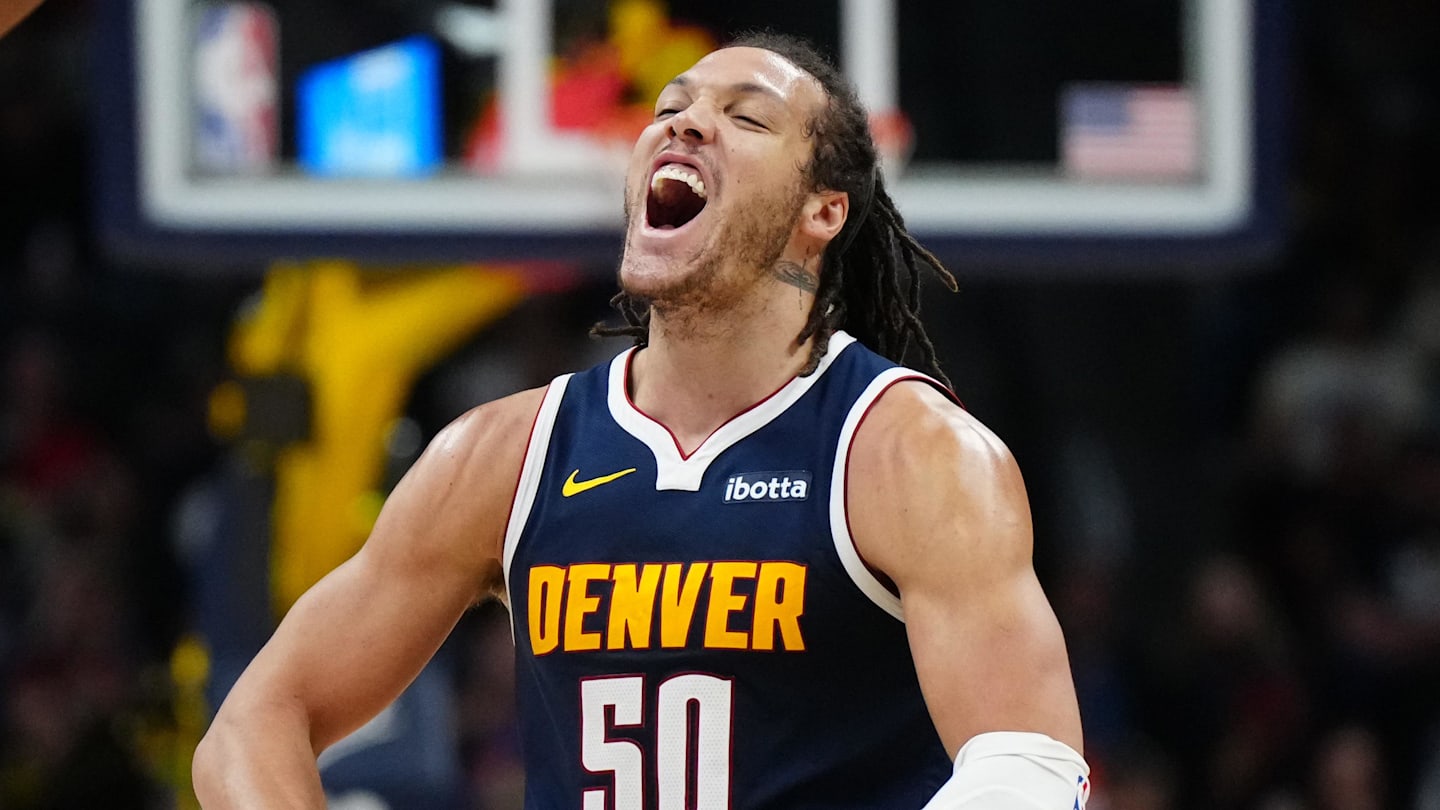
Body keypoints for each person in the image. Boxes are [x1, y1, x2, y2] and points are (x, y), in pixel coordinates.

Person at [192, 31, 1089, 809]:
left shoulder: (907, 452)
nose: (686, 122)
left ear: (823, 211)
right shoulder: (506, 456)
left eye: (746, 117)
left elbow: (1030, 763)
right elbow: (256, 723)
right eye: (673, 106)